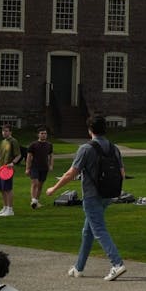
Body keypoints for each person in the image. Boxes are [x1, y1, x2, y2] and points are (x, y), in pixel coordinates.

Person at [45, 115, 127, 281]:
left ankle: (117, 263)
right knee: (87, 231)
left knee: (98, 230)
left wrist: (54, 188)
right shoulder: (114, 148)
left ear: (90, 130)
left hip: (92, 195)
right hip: (109, 194)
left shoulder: (86, 148)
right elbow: (122, 174)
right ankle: (78, 267)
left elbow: (71, 173)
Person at [0, 124, 22, 217]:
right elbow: (0, 156)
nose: (4, 133)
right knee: (1, 189)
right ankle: (5, 207)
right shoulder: (3, 142)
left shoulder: (13, 141)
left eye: (6, 131)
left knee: (8, 189)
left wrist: (13, 163)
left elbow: (18, 155)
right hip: (1, 169)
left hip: (8, 169)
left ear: (10, 132)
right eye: (3, 131)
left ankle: (10, 209)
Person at [24, 126, 53, 210]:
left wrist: (51, 165)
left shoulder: (49, 145)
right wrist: (27, 168)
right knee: (35, 183)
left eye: (45, 133)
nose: (44, 135)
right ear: (38, 135)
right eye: (42, 133)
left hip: (44, 168)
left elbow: (51, 156)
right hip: (34, 167)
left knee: (40, 185)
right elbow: (29, 157)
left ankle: (36, 201)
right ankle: (33, 200)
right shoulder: (33, 145)